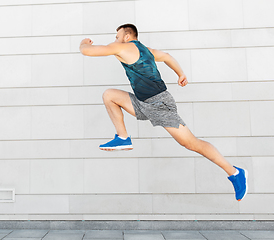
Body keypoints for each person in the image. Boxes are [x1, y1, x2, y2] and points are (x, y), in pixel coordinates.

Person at [79, 23, 247, 201]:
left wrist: (83, 43)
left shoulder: (122, 46)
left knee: (191, 143)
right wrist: (180, 73)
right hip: (143, 103)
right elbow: (166, 56)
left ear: (127, 36)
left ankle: (235, 173)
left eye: (117, 36)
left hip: (159, 104)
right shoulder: (146, 50)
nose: (115, 40)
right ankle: (122, 137)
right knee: (109, 95)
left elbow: (87, 51)